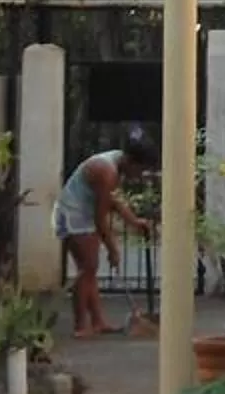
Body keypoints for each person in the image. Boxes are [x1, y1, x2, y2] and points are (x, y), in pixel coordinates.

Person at [54, 132, 153, 339]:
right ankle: (81, 326)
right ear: (131, 161)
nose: (140, 174)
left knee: (90, 268)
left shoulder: (116, 163)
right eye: (141, 169)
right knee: (86, 268)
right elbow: (101, 219)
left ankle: (98, 322)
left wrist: (134, 221)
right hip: (73, 215)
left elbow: (114, 202)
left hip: (82, 212)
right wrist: (113, 249)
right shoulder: (106, 172)